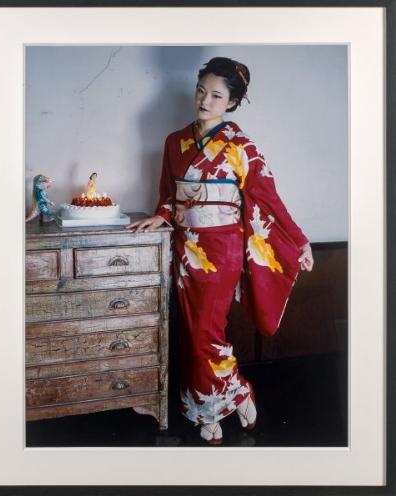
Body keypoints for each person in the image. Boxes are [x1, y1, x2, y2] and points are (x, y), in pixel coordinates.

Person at [126, 57, 314, 445]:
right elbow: (168, 193)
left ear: (232, 103)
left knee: (206, 330)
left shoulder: (242, 147)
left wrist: (299, 240)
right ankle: (232, 394)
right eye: (201, 91)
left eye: (215, 95)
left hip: (222, 249)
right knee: (192, 330)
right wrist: (161, 216)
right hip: (185, 247)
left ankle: (215, 407)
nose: (204, 100)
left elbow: (269, 199)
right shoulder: (174, 141)